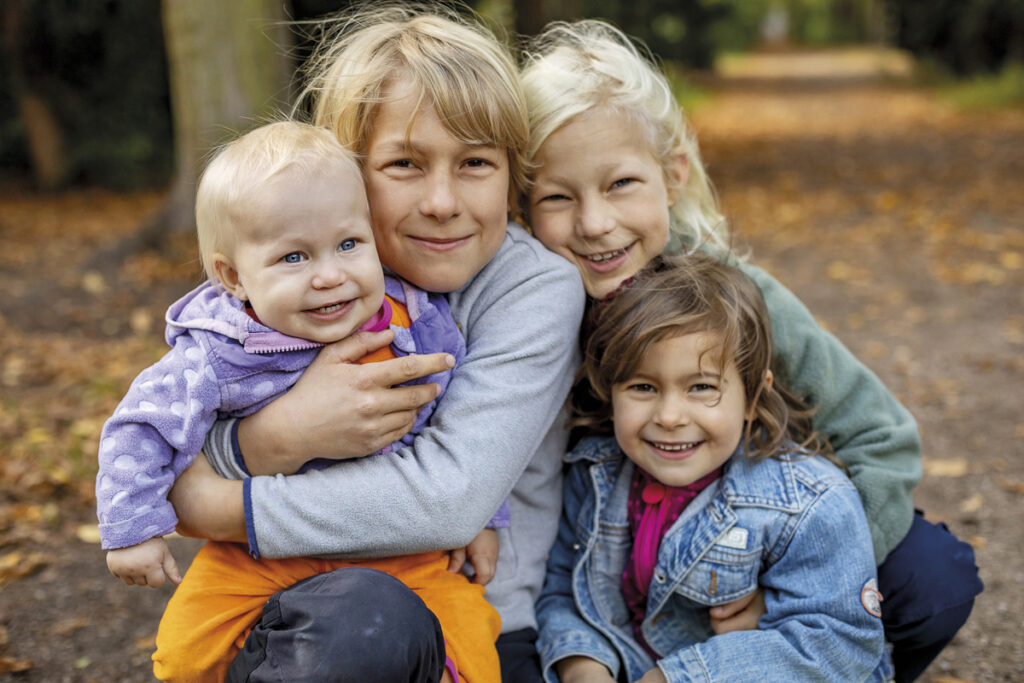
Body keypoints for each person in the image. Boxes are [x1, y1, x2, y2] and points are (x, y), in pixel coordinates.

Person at [519, 19, 982, 682]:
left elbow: (882, 440)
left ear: (672, 176)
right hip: (611, 555)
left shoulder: (734, 299)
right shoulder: (525, 308)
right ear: (522, 203)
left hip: (748, 549)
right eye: (558, 197)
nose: (594, 223)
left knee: (932, 579)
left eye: (620, 184)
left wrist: (784, 584)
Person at [160, 5, 585, 683]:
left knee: (370, 613)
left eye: (475, 162)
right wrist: (274, 437)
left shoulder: (534, 288)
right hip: (273, 601)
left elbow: (449, 497)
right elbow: (181, 421)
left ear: (513, 176)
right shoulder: (307, 276)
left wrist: (221, 504)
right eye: (405, 164)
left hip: (468, 617)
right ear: (350, 172)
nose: (443, 200)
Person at [96, 120, 502, 682]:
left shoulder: (418, 322)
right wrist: (131, 529)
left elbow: (463, 431)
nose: (330, 276)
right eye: (294, 258)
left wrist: (484, 517)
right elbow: (139, 429)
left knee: (475, 650)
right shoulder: (218, 351)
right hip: (256, 551)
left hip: (403, 548)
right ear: (233, 276)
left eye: (349, 244)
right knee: (185, 656)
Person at [537, 253, 893, 682]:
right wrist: (582, 665)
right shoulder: (593, 473)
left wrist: (679, 678)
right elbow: (565, 587)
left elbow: (837, 641)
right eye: (643, 386)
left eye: (701, 387)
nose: (669, 416)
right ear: (609, 391)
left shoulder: (811, 505)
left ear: (753, 397)